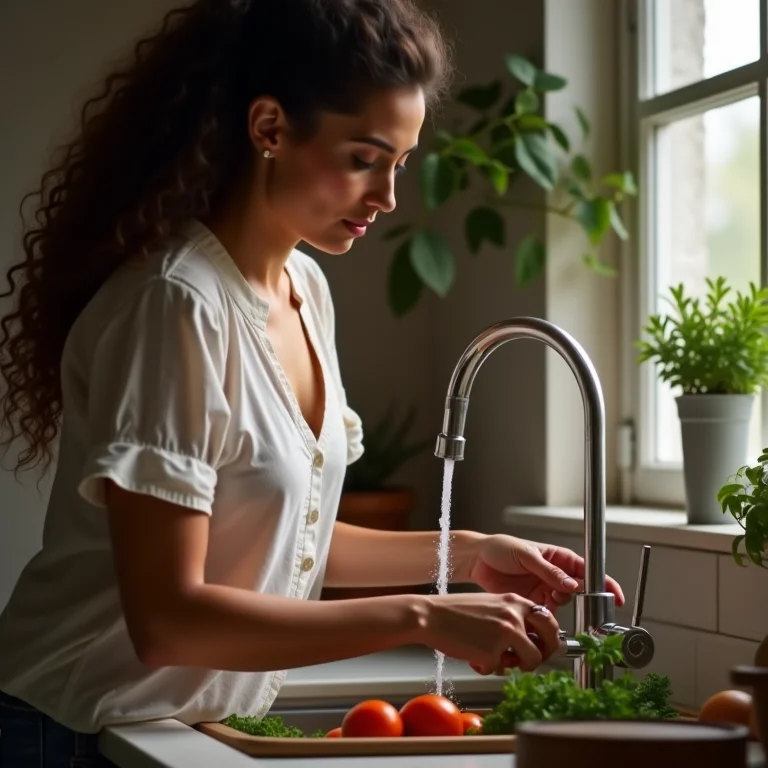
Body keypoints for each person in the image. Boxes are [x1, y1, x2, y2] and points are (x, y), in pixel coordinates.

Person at [0, 0, 625, 764]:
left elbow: (278, 539)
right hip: (61, 731)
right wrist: (423, 617)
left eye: (399, 163)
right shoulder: (176, 304)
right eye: (364, 158)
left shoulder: (304, 287)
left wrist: (463, 553)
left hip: (161, 728)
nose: (388, 198)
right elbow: (169, 619)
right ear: (268, 128)